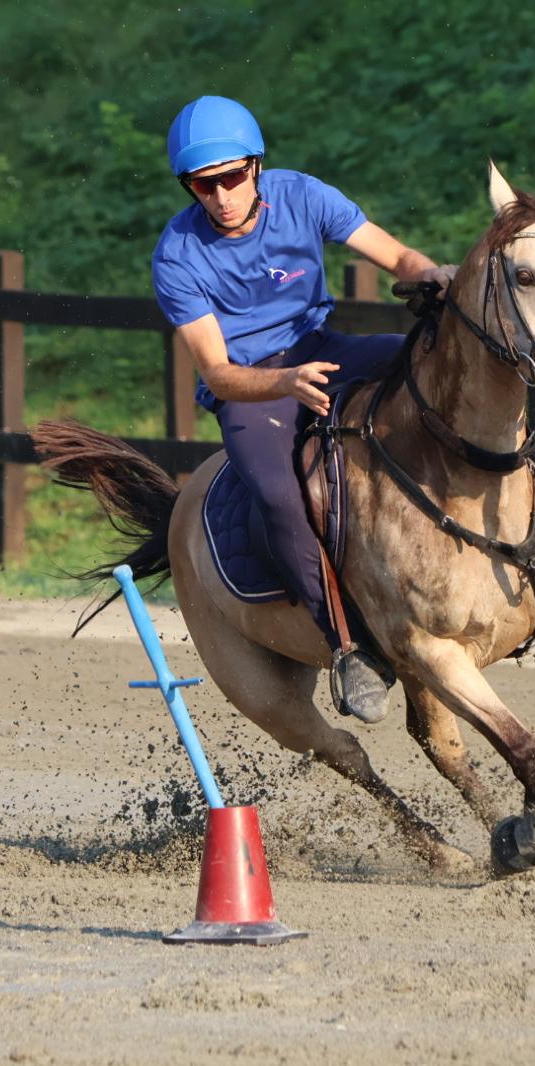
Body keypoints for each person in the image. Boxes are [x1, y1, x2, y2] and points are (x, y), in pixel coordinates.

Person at [151, 96, 454, 726]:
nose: (222, 195)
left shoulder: (305, 195)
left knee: (426, 369)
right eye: (204, 185)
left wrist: (437, 280)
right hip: (253, 388)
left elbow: (399, 259)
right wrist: (284, 382)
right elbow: (216, 373)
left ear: (257, 168)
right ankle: (347, 648)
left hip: (321, 347)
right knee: (281, 496)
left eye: (233, 177)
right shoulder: (176, 254)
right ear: (190, 188)